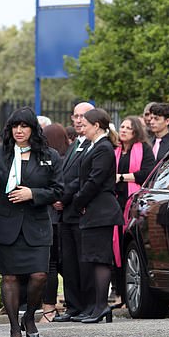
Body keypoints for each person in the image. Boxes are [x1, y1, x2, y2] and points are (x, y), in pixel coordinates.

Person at [0, 107, 63, 337]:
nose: (19, 131)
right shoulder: (0, 154)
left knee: (39, 275)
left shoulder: (49, 155)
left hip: (37, 226)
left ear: (33, 129)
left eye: (24, 126)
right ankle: (14, 328)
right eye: (15, 126)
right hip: (6, 226)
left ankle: (30, 316)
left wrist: (32, 193)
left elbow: (59, 189)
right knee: (10, 277)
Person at [73, 108, 123, 324]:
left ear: (97, 126)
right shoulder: (95, 145)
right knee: (92, 258)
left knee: (101, 258)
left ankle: (101, 305)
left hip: (101, 209)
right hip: (94, 210)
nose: (82, 127)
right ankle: (95, 305)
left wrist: (78, 201)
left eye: (85, 124)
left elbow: (95, 180)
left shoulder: (103, 147)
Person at [53, 102, 96, 323]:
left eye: (83, 116)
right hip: (66, 214)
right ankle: (73, 305)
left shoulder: (94, 145)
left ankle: (89, 305)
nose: (79, 120)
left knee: (84, 261)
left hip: (80, 211)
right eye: (76, 116)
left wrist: (63, 198)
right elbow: (64, 176)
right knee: (68, 262)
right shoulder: (74, 144)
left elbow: (83, 179)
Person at [112, 116, 155, 305]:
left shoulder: (144, 149)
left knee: (128, 244)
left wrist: (121, 177)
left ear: (135, 131)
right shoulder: (116, 151)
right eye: (122, 126)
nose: (123, 130)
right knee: (115, 249)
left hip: (134, 203)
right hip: (115, 203)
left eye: (128, 128)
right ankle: (120, 292)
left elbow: (146, 173)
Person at [40, 123, 69, 323]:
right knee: (61, 265)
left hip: (50, 218)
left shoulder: (49, 159)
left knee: (49, 265)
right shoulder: (68, 157)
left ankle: (49, 308)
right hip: (61, 219)